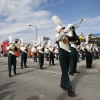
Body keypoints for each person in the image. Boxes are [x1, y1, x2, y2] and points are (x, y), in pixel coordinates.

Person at [55, 25, 76, 97]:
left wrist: (72, 30)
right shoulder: (58, 35)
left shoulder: (66, 36)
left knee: (65, 72)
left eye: (63, 28)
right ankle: (69, 89)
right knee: (65, 72)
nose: (63, 29)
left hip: (68, 53)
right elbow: (58, 38)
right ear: (59, 30)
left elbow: (73, 39)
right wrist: (65, 30)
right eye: (62, 28)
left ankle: (62, 84)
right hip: (62, 54)